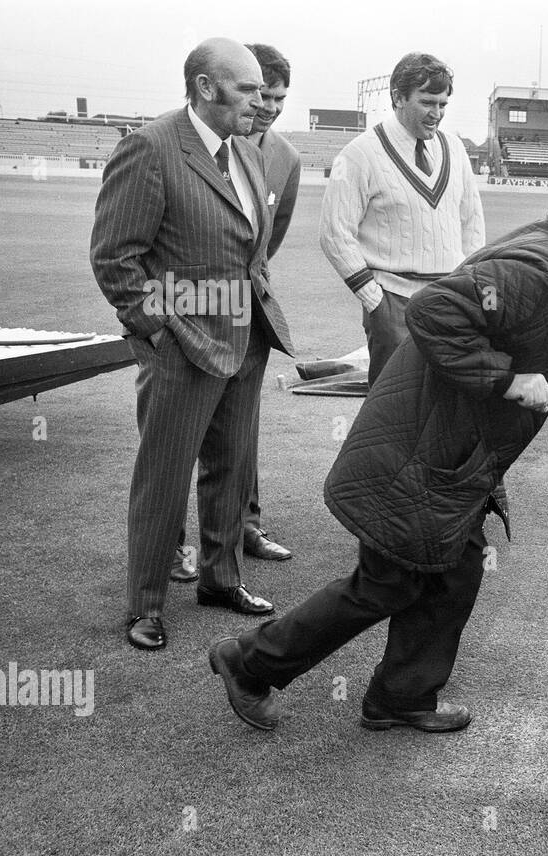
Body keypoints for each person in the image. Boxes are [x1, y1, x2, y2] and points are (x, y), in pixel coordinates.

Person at [209, 174, 548, 733]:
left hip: (449, 454)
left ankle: (401, 696)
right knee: (386, 583)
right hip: (417, 454)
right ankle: (250, 661)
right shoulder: (542, 269)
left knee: (454, 574)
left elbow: (503, 325)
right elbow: (433, 312)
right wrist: (509, 380)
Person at [91, 38, 294, 651]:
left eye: (264, 91)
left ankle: (220, 578)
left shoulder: (250, 155)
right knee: (165, 473)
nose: (262, 102)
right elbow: (115, 259)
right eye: (250, 90)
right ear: (206, 88)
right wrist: (158, 332)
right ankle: (146, 605)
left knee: (232, 467)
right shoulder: (150, 148)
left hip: (245, 337)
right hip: (182, 344)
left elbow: (253, 244)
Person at [318, 51, 484, 387]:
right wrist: (374, 300)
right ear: (397, 98)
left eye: (442, 104)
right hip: (392, 299)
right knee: (390, 410)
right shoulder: (360, 153)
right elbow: (335, 233)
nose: (435, 113)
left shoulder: (454, 148)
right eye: (426, 102)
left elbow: (472, 222)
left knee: (447, 403)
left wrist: (467, 288)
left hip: (448, 298)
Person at [239, 41, 302, 561]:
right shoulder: (202, 142)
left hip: (249, 311)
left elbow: (269, 241)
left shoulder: (286, 158)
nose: (271, 106)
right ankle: (171, 545)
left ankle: (246, 526)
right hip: (188, 308)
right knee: (178, 437)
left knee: (244, 425)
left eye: (280, 97)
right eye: (262, 94)